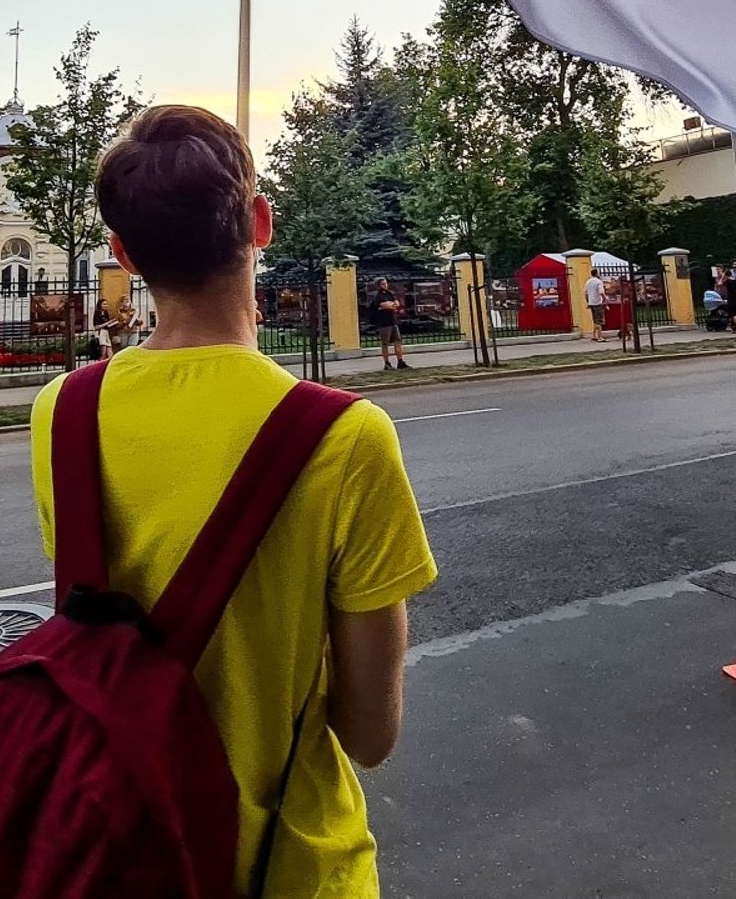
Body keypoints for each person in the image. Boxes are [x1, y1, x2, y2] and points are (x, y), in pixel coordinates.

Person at [32, 104, 437, 895]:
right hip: (291, 866)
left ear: (123, 252)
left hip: (116, 857)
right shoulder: (347, 438)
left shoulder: (63, 412)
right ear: (260, 222)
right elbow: (369, 732)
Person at [370, 278, 409, 370]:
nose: (385, 285)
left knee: (398, 341)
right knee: (385, 343)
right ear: (379, 285)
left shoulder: (389, 293)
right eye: (383, 284)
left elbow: (396, 303)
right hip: (383, 323)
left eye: (386, 283)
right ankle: (387, 363)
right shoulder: (378, 296)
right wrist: (389, 305)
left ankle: (400, 361)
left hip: (393, 321)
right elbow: (384, 305)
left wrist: (390, 305)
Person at [583, 268, 607, 342]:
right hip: (598, 303)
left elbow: (585, 293)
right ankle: (600, 337)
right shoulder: (598, 282)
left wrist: (588, 302)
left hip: (591, 303)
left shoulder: (588, 282)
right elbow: (601, 292)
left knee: (595, 320)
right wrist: (605, 299)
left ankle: (594, 335)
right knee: (599, 320)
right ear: (596, 274)